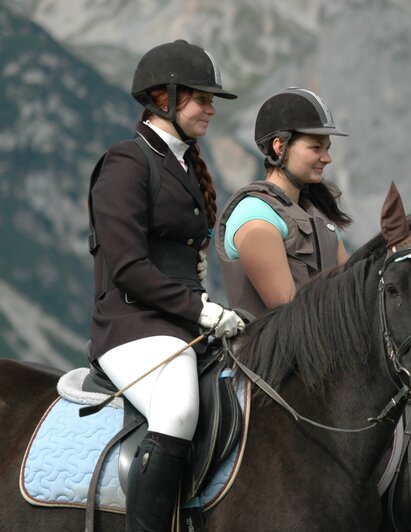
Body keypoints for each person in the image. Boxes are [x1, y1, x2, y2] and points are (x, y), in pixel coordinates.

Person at [87, 40, 245, 531]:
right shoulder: (125, 163)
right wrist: (203, 311)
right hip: (131, 325)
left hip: (178, 325)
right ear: (165, 99)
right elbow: (129, 267)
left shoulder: (182, 166)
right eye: (202, 98)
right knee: (177, 410)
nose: (211, 109)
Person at [214, 88, 351, 318]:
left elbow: (350, 293)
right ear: (280, 147)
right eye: (316, 148)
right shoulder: (255, 215)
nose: (327, 158)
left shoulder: (321, 218)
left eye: (327, 148)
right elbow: (289, 313)